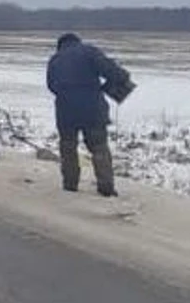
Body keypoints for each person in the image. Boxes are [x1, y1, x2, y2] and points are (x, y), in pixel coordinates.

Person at [46, 33, 132, 197]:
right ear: (78, 41)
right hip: (92, 108)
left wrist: (67, 93)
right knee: (99, 147)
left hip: (66, 109)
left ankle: (70, 185)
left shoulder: (55, 60)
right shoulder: (89, 52)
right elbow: (115, 73)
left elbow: (51, 86)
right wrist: (115, 82)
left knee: (68, 147)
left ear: (60, 45)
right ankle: (105, 186)